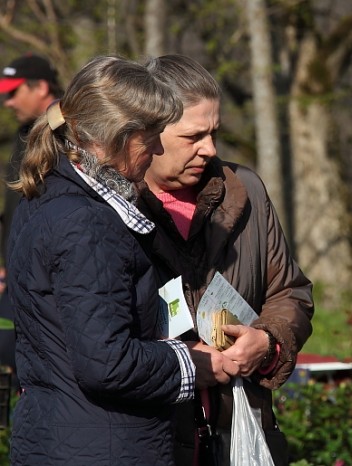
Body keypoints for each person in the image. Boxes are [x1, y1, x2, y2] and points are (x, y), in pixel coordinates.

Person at [6, 55, 196, 465]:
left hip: (60, 438)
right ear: (117, 136)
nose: (158, 148)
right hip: (103, 447)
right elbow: (107, 362)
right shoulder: (88, 221)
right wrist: (193, 363)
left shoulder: (44, 197)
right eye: (152, 135)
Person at [135, 54, 314, 466]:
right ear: (148, 131)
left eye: (214, 132)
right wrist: (182, 361)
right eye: (193, 136)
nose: (209, 149)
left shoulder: (244, 190)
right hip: (151, 438)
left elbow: (290, 291)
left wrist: (267, 342)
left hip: (241, 431)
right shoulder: (116, 206)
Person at [0, 53, 62, 385]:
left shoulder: (69, 131)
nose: (8, 102)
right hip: (17, 277)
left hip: (48, 283)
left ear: (40, 88)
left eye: (13, 92)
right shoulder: (24, 134)